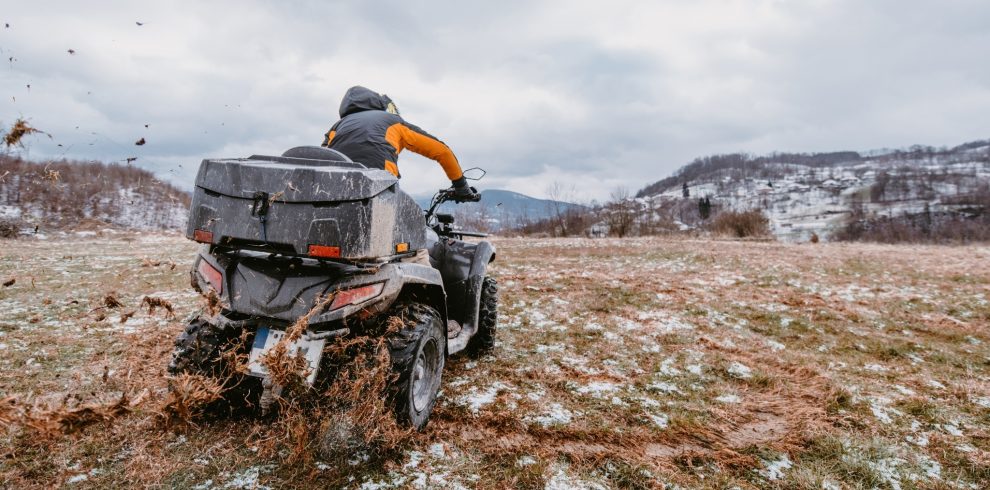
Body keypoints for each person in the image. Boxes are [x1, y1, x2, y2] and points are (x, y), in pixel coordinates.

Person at [322, 86, 479, 202]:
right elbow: (442, 152)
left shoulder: (337, 126)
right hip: (379, 189)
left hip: (334, 192)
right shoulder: (392, 121)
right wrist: (461, 187)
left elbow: (320, 158)